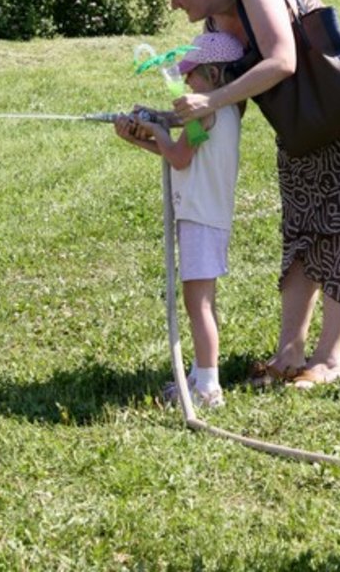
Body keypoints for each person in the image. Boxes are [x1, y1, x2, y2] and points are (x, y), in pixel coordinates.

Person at [155, 0, 340, 389]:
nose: (174, 4)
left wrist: (211, 97)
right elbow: (224, 99)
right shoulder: (214, 20)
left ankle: (328, 359)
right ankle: (289, 354)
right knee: (302, 222)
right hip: (300, 120)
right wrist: (168, 122)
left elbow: (282, 61)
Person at [114, 31, 244, 409]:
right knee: (201, 301)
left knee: (197, 303)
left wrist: (154, 130)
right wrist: (141, 136)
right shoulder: (222, 109)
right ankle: (201, 374)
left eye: (192, 74)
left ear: (215, 76)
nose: (186, 81)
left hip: (201, 216)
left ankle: (207, 389)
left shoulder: (208, 110)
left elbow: (180, 157)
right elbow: (180, 151)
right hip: (204, 213)